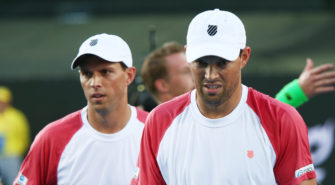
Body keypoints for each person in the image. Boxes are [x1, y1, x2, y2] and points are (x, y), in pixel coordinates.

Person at [135, 9, 322, 185]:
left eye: (222, 63)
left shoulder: (281, 119)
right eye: (201, 63)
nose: (211, 75)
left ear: (244, 57)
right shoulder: (159, 121)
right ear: (188, 55)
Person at [0, 33, 159, 185]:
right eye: (86, 73)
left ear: (129, 75)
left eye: (106, 72)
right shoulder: (54, 137)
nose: (95, 82)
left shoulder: (157, 132)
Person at [140, 43, 335, 109]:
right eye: (187, 70)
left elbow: (258, 129)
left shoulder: (213, 116)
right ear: (162, 85)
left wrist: (296, 93)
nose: (202, 73)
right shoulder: (146, 132)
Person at [0, 86, 33, 185]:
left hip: (12, 158)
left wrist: (16, 153)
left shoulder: (16, 118)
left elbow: (24, 136)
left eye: (3, 101)